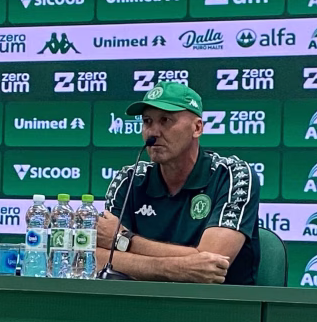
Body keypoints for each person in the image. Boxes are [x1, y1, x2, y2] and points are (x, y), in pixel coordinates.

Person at [96, 81, 261, 284]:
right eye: (147, 121)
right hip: (142, 300)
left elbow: (214, 263)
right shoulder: (130, 179)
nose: (153, 132)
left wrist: (124, 241)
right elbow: (98, 257)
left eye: (165, 120)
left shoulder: (233, 175)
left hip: (217, 302)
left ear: (197, 128)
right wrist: (178, 269)